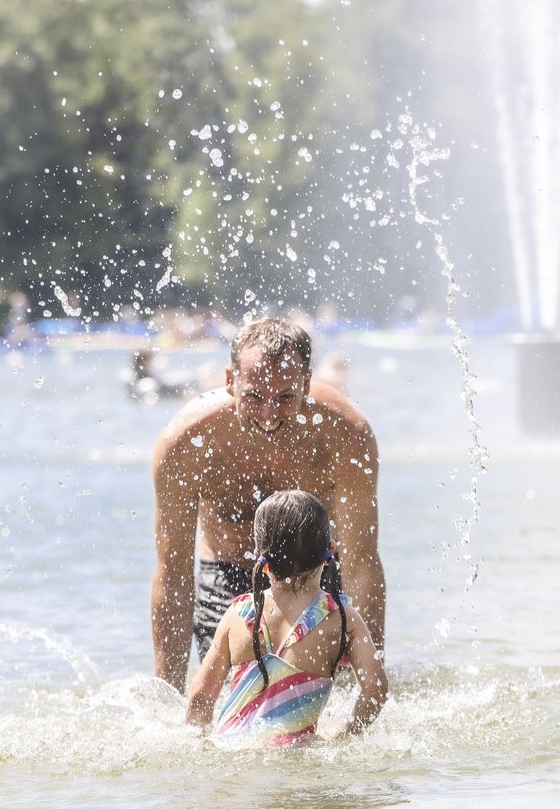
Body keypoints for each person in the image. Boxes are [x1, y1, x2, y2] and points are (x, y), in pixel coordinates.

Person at [151, 316, 385, 694]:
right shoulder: (186, 443)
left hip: (317, 575)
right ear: (230, 381)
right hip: (227, 572)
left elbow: (362, 564)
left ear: (306, 384)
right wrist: (167, 696)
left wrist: (369, 683)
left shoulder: (346, 436)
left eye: (285, 397)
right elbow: (173, 574)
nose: (270, 415)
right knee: (230, 707)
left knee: (327, 703)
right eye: (254, 396)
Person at [186, 490, 388, 747]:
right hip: (296, 756)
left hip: (231, 750)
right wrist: (346, 733)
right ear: (331, 553)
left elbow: (200, 698)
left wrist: (199, 741)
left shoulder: (238, 614)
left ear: (262, 561)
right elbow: (376, 689)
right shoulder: (341, 618)